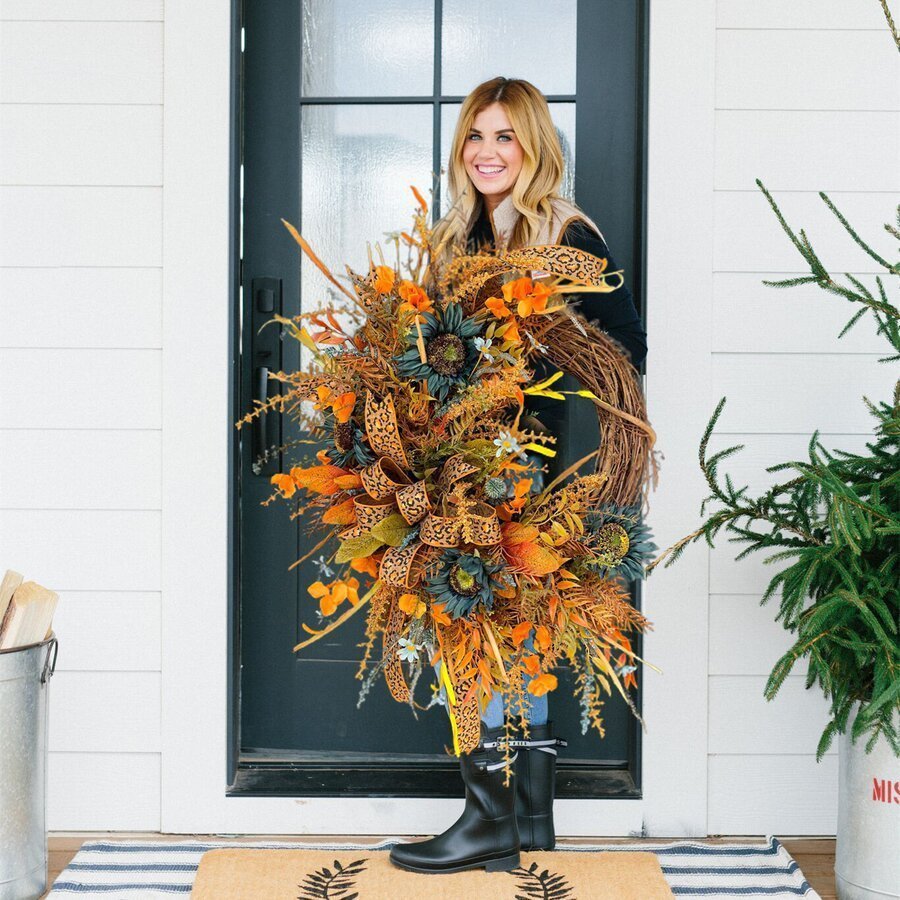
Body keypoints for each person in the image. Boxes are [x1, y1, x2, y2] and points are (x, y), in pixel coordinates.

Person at [389, 76, 647, 875]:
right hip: (469, 468)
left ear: (534, 147)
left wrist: (539, 372)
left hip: (541, 472)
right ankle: (525, 821)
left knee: (501, 626)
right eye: (475, 136)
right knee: (497, 625)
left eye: (505, 137)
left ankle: (490, 818)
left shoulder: (565, 233)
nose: (488, 152)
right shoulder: (461, 238)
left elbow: (625, 350)